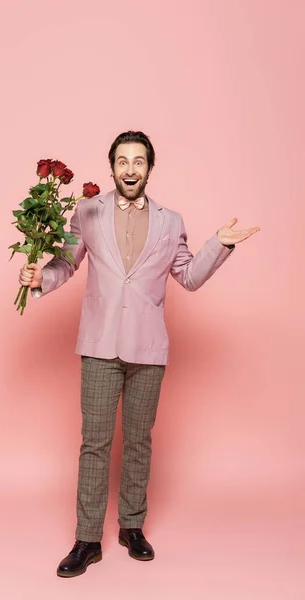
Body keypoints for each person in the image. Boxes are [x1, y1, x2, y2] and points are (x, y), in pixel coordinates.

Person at [18, 131, 260, 578]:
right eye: (123, 161)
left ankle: (132, 526)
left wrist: (219, 243)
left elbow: (187, 276)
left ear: (150, 167)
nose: (131, 169)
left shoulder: (171, 222)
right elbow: (67, 262)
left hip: (148, 349)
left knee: (139, 441)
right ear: (111, 167)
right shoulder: (88, 211)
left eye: (139, 161)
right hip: (99, 345)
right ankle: (88, 538)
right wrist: (40, 280)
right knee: (95, 442)